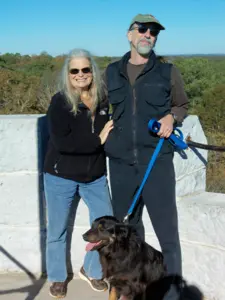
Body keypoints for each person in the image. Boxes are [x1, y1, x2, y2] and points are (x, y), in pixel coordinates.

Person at [104, 14, 189, 300]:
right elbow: (100, 108)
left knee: (168, 234)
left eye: (153, 32)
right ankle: (132, 291)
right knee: (129, 235)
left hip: (157, 163)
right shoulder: (111, 72)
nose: (148, 35)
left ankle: (173, 293)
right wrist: (100, 132)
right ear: (129, 35)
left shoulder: (168, 72)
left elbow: (181, 105)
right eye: (142, 30)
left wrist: (171, 116)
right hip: (120, 165)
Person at [43, 48, 113, 298]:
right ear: (68, 74)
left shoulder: (102, 99)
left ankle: (92, 270)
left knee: (104, 227)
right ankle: (58, 277)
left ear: (92, 71)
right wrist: (98, 141)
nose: (81, 74)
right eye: (75, 70)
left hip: (94, 176)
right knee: (58, 229)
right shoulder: (59, 102)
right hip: (60, 176)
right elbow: (63, 143)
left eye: (86, 69)